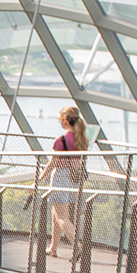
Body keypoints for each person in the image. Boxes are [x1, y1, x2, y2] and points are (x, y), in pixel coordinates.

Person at [47, 105, 88, 260]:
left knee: (62, 217)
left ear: (65, 121)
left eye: (60, 122)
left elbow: (52, 163)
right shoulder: (82, 140)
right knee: (56, 213)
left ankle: (78, 246)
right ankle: (53, 247)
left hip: (61, 178)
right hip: (74, 179)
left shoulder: (61, 140)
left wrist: (37, 180)